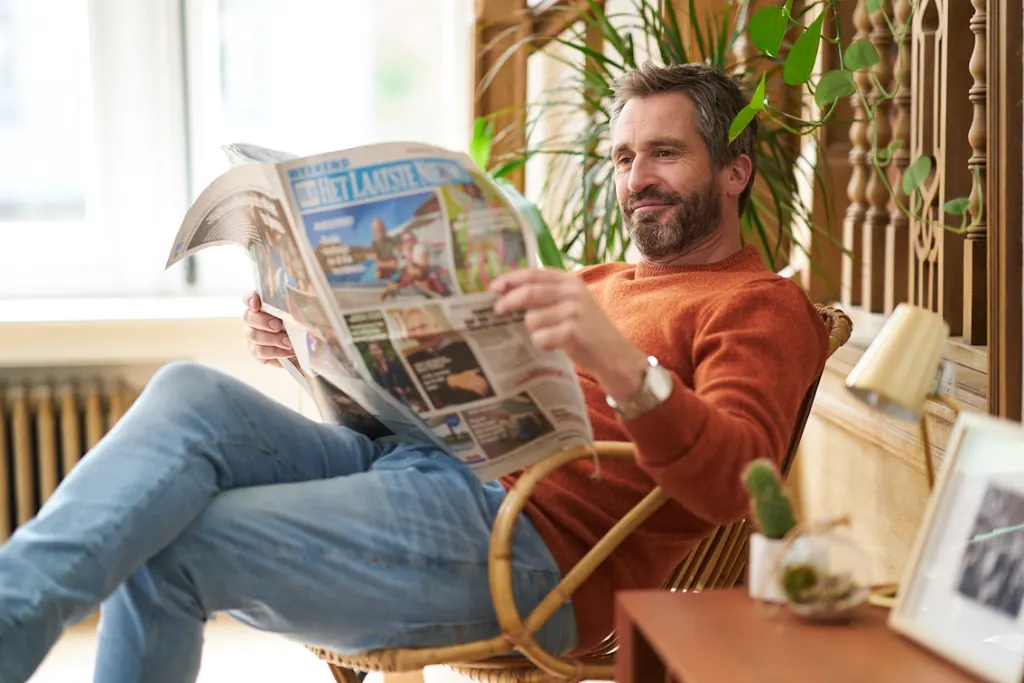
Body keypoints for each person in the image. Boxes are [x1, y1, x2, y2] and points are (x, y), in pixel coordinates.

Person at [0, 62, 828, 683]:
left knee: (175, 540)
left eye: (663, 154)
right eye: (620, 159)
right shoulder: (596, 281)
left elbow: (740, 483)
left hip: (528, 547)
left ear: (734, 172)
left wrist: (616, 360)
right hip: (425, 472)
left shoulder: (759, 305)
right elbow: (436, 406)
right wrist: (319, 352)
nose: (636, 180)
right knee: (191, 390)